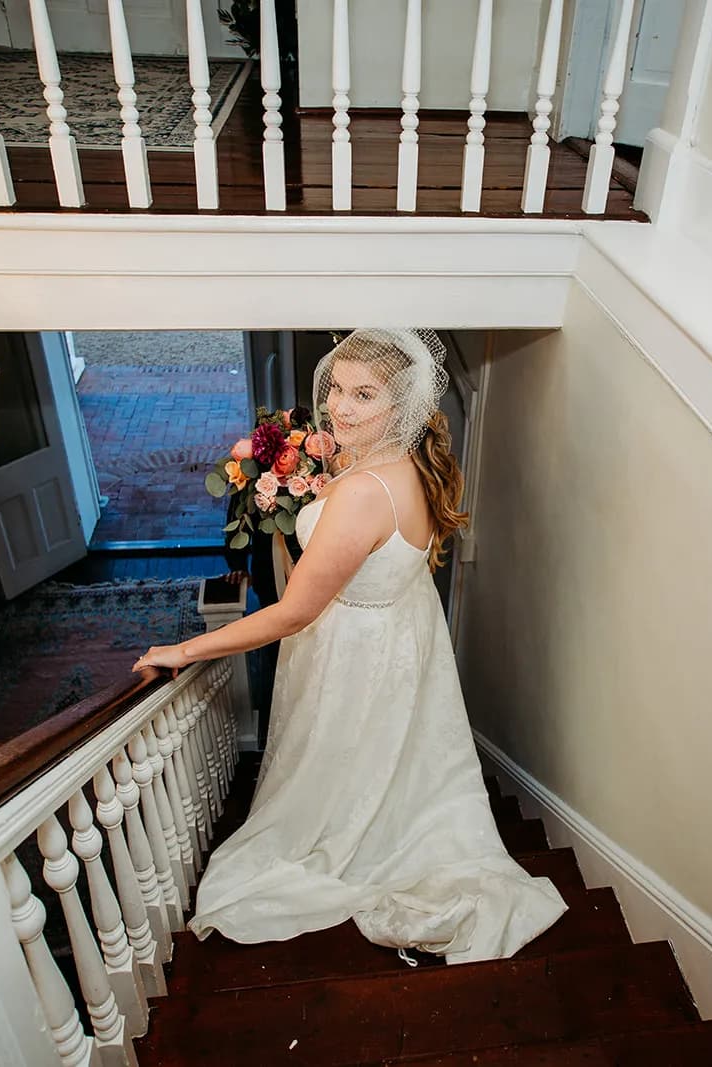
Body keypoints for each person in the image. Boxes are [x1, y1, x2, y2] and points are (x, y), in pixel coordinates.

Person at [132, 329, 566, 963]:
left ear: (403, 406)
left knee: (340, 774)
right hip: (389, 641)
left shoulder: (364, 491)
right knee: (374, 764)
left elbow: (296, 609)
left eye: (365, 395)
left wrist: (186, 651)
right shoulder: (397, 464)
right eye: (337, 387)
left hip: (353, 656)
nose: (340, 407)